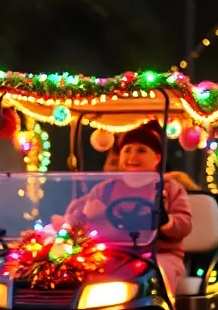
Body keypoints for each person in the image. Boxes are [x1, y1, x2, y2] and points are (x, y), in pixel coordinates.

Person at [65, 121, 193, 295]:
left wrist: (165, 221)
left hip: (159, 254)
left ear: (157, 158)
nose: (133, 156)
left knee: (156, 276)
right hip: (114, 254)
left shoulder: (170, 188)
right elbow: (73, 219)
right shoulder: (105, 189)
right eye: (127, 150)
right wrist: (86, 214)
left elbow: (184, 225)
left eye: (141, 150)